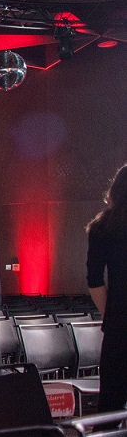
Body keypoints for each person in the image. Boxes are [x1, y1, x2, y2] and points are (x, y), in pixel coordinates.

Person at [87, 164, 127, 416]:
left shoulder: (102, 226)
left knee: (109, 407)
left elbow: (94, 279)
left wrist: (109, 313)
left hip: (118, 326)